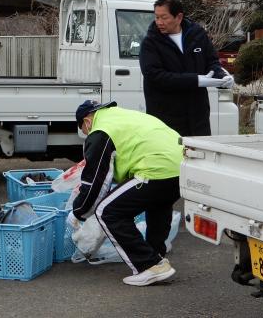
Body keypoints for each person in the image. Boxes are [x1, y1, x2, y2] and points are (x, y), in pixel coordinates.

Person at [66, 100, 183, 286]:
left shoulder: (100, 131)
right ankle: (157, 255)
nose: (86, 134)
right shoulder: (122, 117)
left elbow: (96, 183)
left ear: (87, 121)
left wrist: (78, 211)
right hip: (180, 168)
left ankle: (149, 266)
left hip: (154, 168)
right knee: (158, 202)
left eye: (84, 130)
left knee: (106, 211)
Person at [139, 0, 234, 136]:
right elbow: (155, 76)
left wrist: (223, 77)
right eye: (157, 17)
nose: (159, 22)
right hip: (166, 116)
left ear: (179, 17)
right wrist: (196, 80)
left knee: (201, 153)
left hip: (198, 114)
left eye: (164, 17)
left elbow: (211, 62)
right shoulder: (150, 43)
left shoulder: (197, 35)